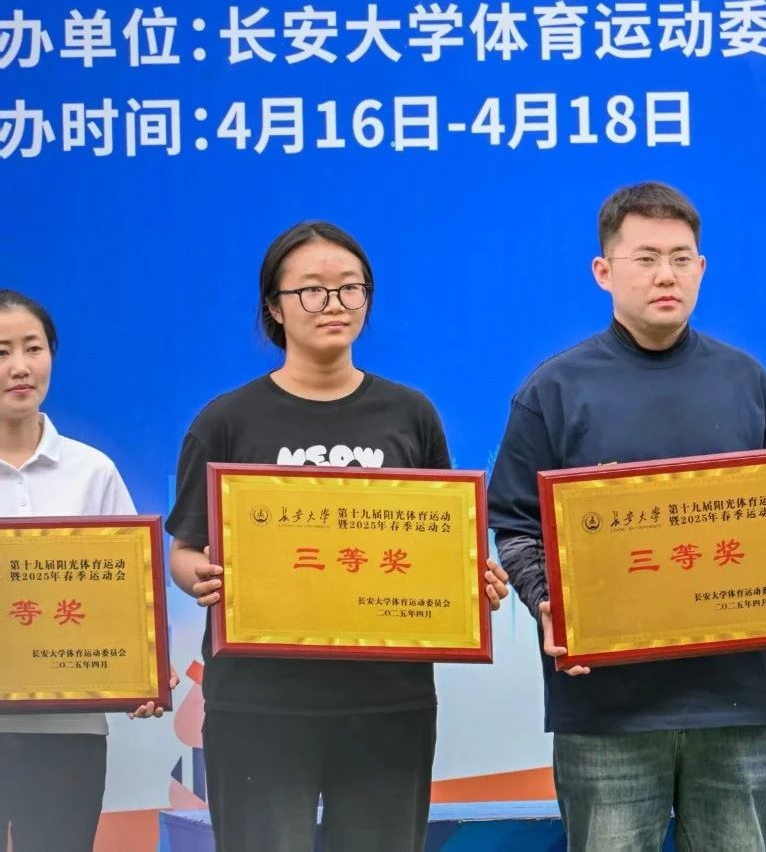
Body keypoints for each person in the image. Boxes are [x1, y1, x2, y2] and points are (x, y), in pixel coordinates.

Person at [165, 222, 509, 852]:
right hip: (259, 704)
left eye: (351, 289)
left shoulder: (412, 414)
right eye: (312, 291)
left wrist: (472, 580)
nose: (334, 305)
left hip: (387, 703)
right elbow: (184, 550)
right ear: (274, 307)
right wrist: (201, 577)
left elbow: (443, 536)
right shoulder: (225, 421)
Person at [488, 182, 766, 851]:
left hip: (731, 703)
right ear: (604, 271)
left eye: (681, 259)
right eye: (645, 258)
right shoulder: (554, 390)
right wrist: (548, 602)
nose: (665, 275)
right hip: (606, 710)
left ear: (701, 268)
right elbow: (516, 524)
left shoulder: (747, 382)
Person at [0, 289, 173, 851]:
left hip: (68, 730)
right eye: (1, 352)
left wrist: (145, 669)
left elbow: (131, 592)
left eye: (33, 348)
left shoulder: (92, 471)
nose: (20, 367)